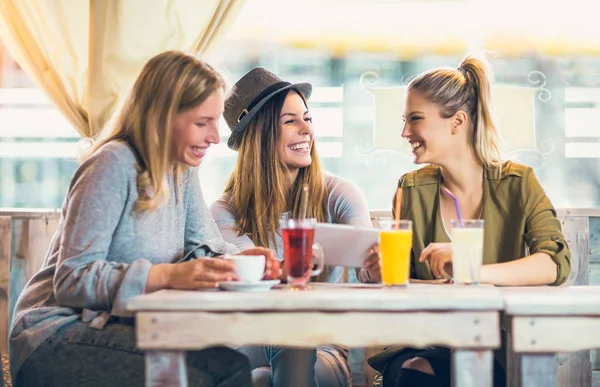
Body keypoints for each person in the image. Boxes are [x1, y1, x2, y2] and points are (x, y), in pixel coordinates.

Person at [9, 51, 280, 387]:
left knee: (228, 364)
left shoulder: (180, 170)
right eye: (202, 122)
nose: (215, 136)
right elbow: (72, 280)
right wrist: (167, 275)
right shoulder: (111, 164)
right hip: (56, 336)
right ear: (163, 117)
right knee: (221, 372)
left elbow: (202, 249)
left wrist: (238, 263)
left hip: (123, 328)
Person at [368, 55, 571, 387]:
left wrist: (468, 270)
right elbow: (400, 280)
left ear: (457, 121)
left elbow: (554, 262)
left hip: (491, 345)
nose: (405, 132)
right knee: (416, 369)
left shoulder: (518, 182)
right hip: (423, 342)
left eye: (415, 119)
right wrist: (376, 272)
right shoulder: (411, 189)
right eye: (405, 120)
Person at [210, 68, 381, 387]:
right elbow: (245, 279)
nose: (306, 130)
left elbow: (367, 270)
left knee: (265, 376)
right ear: (258, 135)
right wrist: (285, 268)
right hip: (251, 338)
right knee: (256, 372)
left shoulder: (340, 195)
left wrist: (374, 268)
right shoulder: (224, 211)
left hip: (322, 344)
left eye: (308, 118)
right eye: (290, 121)